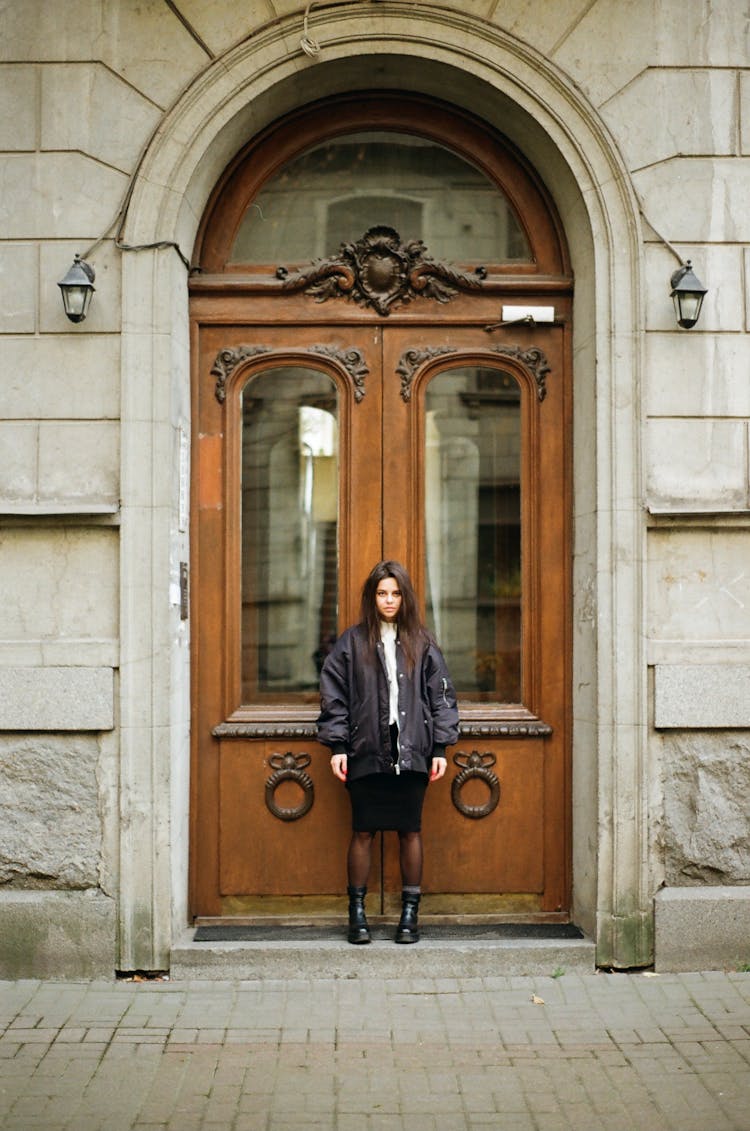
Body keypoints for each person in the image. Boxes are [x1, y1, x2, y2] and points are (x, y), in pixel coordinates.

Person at [317, 560, 459, 945]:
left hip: (413, 753)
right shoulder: (352, 642)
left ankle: (409, 916)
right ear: (372, 597)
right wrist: (338, 745)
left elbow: (442, 696)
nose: (389, 600)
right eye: (382, 593)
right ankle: (357, 915)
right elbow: (334, 697)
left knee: (409, 830)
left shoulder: (422, 642)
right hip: (366, 751)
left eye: (396, 593)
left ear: (405, 596)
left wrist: (441, 747)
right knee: (363, 830)